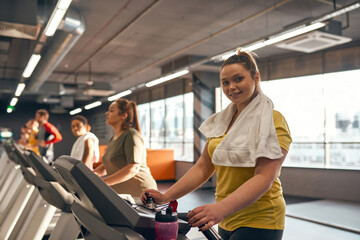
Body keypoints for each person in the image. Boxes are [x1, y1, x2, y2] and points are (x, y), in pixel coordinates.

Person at [141, 49, 292, 240]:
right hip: (226, 217)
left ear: (256, 77)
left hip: (260, 218)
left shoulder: (273, 120)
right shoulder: (222, 122)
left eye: (238, 79)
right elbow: (203, 167)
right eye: (225, 82)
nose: (231, 87)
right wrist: (166, 197)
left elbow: (264, 176)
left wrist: (221, 208)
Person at [94, 98, 157, 197]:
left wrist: (103, 183)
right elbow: (105, 166)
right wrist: (89, 175)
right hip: (123, 194)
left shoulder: (131, 135)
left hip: (141, 193)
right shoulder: (113, 139)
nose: (107, 113)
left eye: (111, 110)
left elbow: (133, 168)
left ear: (123, 115)